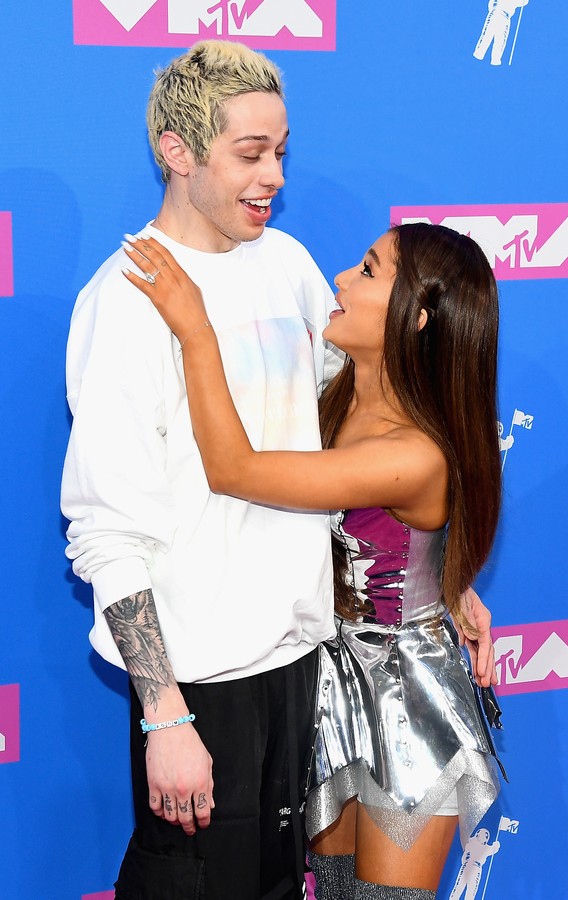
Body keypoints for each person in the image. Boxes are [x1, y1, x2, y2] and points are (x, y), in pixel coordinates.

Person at [62, 38, 496, 900]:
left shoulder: (290, 264)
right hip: (202, 687)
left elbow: (363, 435)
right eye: (250, 154)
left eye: (282, 152)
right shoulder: (126, 299)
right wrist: (165, 713)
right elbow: (107, 531)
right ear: (177, 153)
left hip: (307, 670)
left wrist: (441, 576)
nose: (273, 178)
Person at [119, 220, 505, 900]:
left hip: (406, 701)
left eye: (368, 270)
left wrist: (196, 331)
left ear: (415, 317)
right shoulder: (339, 391)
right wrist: (454, 581)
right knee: (328, 890)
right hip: (325, 681)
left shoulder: (411, 453)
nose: (341, 280)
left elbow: (235, 469)